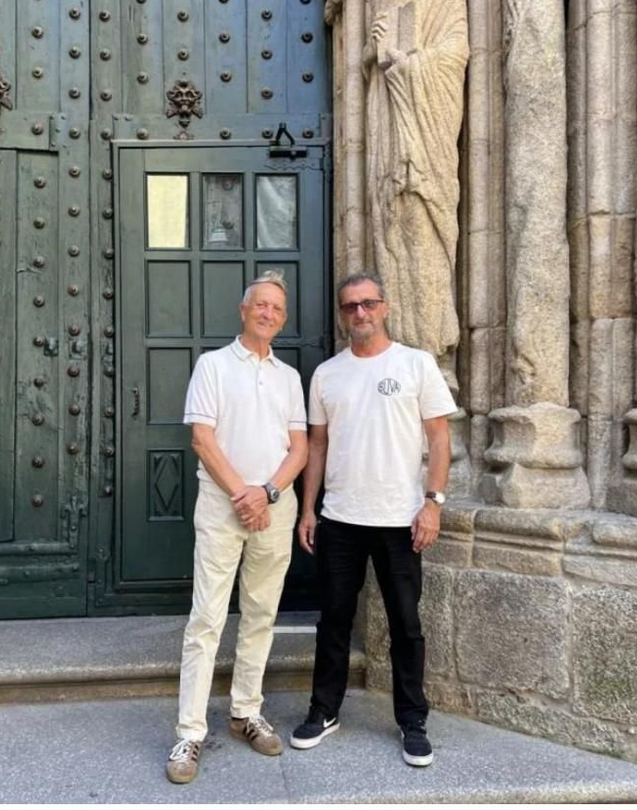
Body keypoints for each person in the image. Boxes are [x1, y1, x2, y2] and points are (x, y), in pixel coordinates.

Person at [289, 271, 454, 768]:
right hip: (340, 518)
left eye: (367, 304)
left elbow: (440, 440)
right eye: (349, 307)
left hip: (401, 519)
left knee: (406, 624)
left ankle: (412, 721)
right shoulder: (327, 374)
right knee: (334, 620)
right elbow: (316, 445)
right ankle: (324, 710)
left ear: (384, 307)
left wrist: (434, 503)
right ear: (342, 315)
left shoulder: (416, 364)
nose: (359, 313)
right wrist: (307, 508)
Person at [165, 270, 309, 785]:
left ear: (282, 318)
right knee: (206, 618)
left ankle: (246, 711)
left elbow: (300, 448)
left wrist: (266, 493)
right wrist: (242, 495)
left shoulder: (290, 378)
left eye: (276, 307)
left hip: (274, 506)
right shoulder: (213, 366)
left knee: (260, 615)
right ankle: (190, 733)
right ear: (243, 310)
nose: (268, 313)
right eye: (260, 305)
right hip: (224, 507)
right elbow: (202, 439)